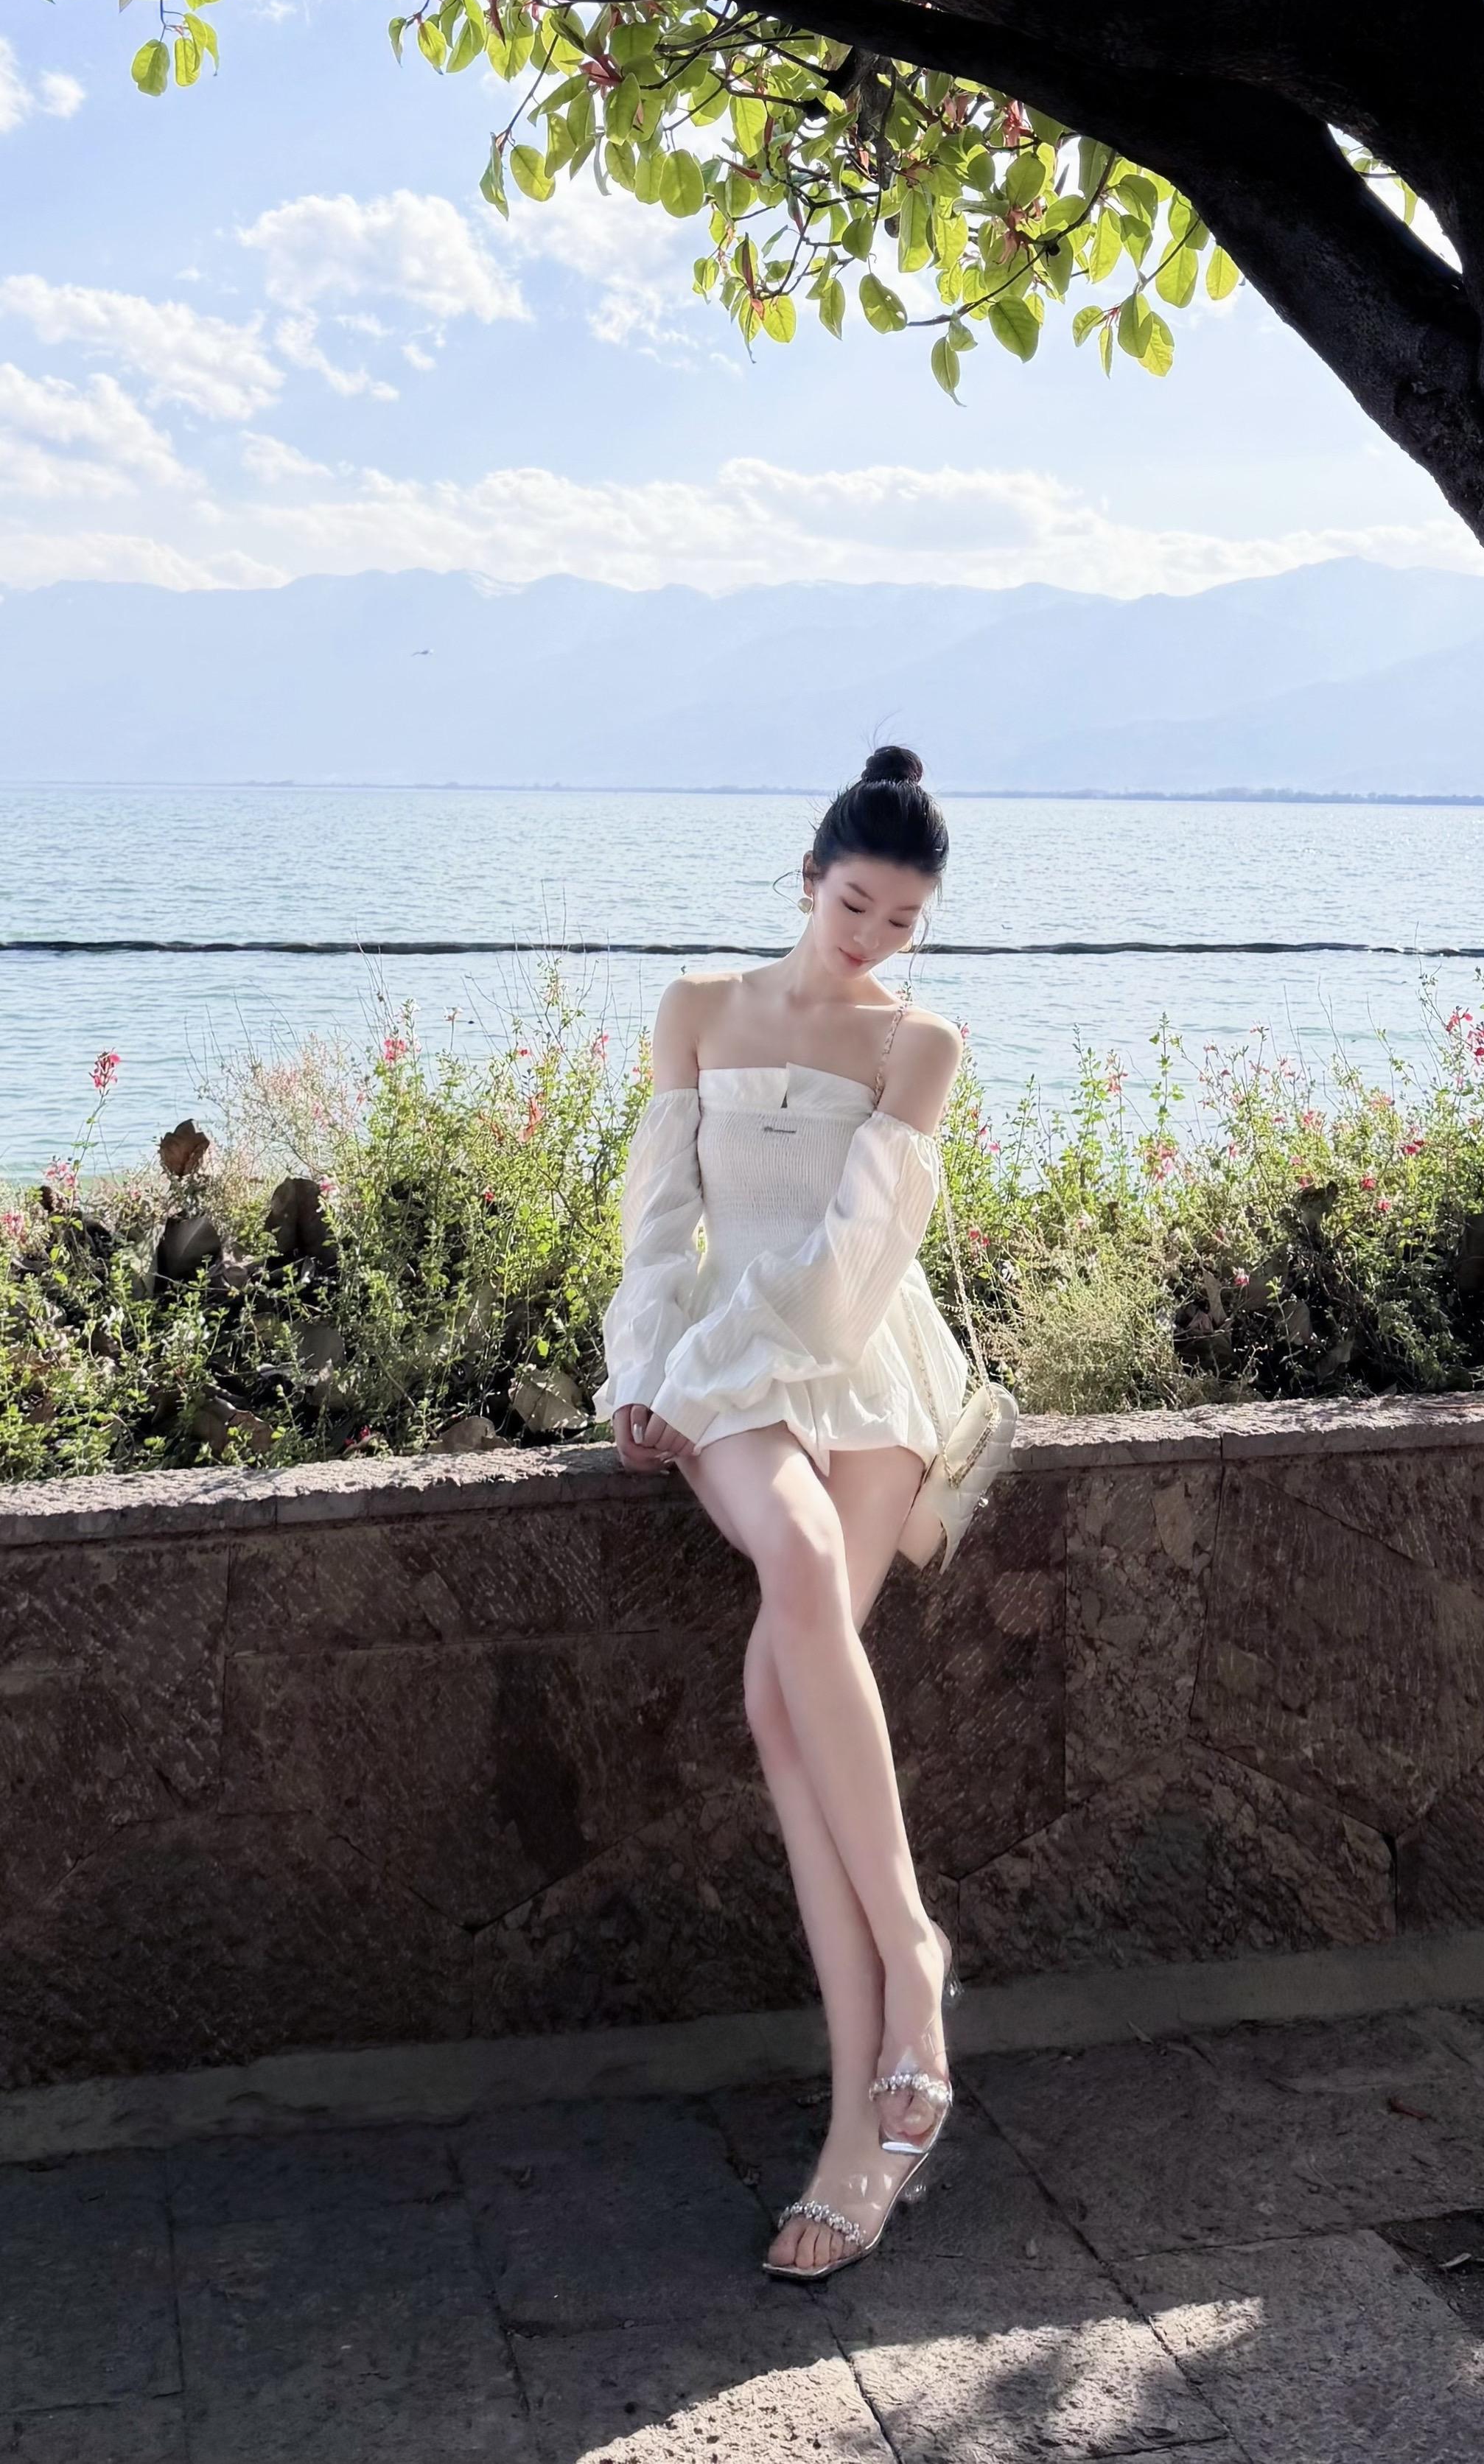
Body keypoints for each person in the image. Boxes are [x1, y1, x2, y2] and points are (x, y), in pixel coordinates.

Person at [594, 746, 973, 2281]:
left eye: (901, 921)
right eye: (853, 904)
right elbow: (658, 1226)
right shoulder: (698, 1005)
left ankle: (857, 2122)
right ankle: (914, 1955)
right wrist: (652, 1376)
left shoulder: (921, 1042)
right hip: (722, 1379)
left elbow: (848, 1269)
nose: (871, 938)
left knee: (777, 1693)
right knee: (799, 1559)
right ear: (807, 878)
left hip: (862, 1363)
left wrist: (705, 1374)